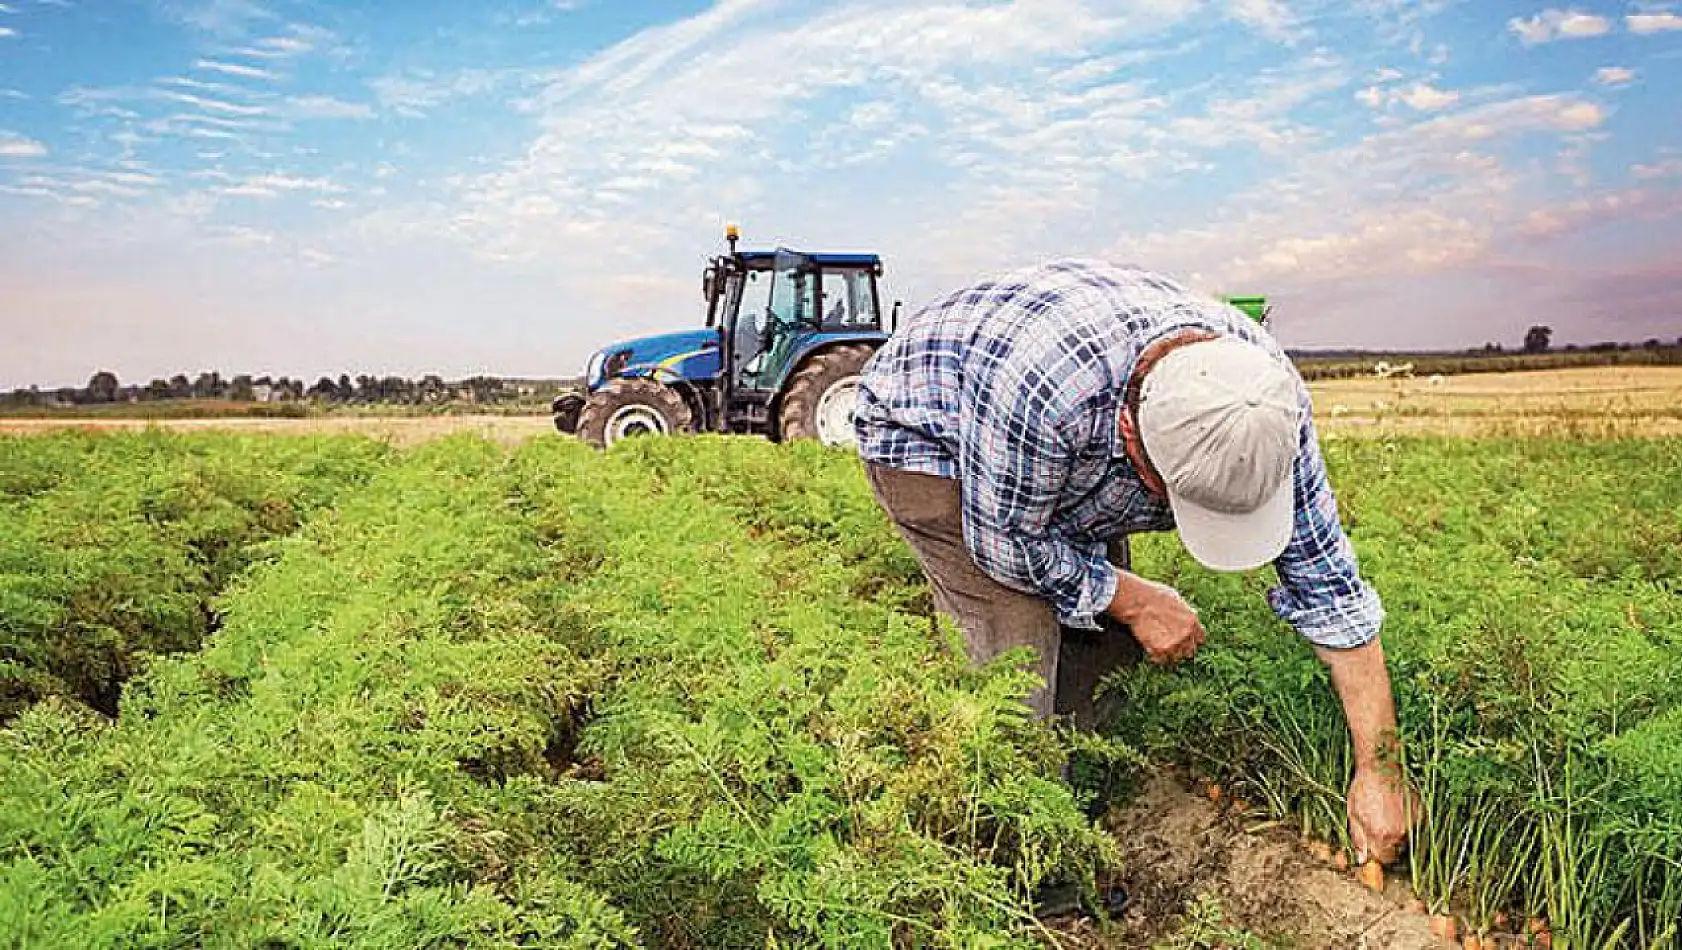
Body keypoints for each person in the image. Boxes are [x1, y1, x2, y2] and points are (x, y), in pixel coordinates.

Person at [851, 258, 1415, 869]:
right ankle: (1020, 858)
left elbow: (1330, 589)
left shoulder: (1265, 403)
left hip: (1053, 445)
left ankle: (1086, 799)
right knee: (1016, 647)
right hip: (931, 437)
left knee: (1104, 639)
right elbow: (1007, 545)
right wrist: (1137, 598)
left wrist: (1379, 770)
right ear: (1130, 434)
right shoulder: (1047, 396)